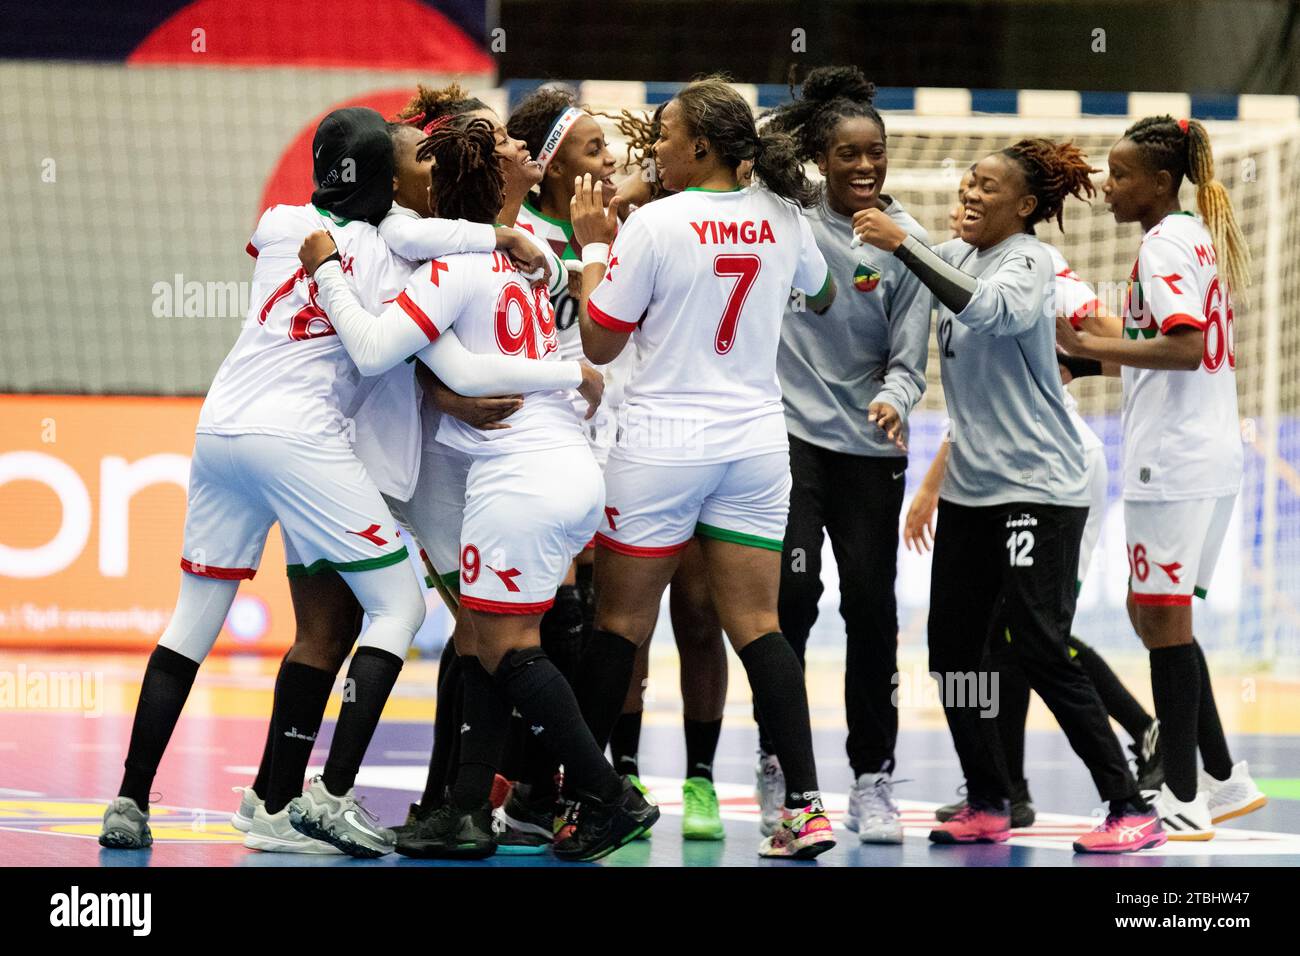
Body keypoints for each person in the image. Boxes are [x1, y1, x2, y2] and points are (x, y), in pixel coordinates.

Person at [98, 108, 575, 857]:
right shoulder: (400, 246)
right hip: (308, 443)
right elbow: (419, 294)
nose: (430, 167)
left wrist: (490, 235)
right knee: (399, 605)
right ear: (388, 183)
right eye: (415, 158)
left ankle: (134, 799)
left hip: (223, 427)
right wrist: (507, 248)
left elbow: (296, 237)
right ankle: (329, 797)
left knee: (196, 622)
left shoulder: (285, 220)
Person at [300, 117, 659, 862]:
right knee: (486, 638)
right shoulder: (532, 264)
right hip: (566, 468)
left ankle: (603, 796)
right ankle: (463, 812)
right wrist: (574, 372)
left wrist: (325, 270)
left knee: (503, 645)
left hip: (516, 477)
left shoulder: (451, 267)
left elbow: (386, 353)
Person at [854, 137, 1165, 853]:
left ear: (1024, 205)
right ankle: (989, 796)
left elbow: (989, 313)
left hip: (1040, 487)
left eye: (987, 187)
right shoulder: (953, 255)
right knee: (953, 651)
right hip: (974, 490)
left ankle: (1128, 803)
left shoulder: (1029, 262)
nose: (969, 193)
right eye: (968, 181)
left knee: (1038, 646)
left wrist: (905, 244)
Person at [569, 77, 838, 859]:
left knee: (620, 623)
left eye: (663, 134)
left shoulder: (653, 224)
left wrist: (593, 246)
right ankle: (806, 809)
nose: (654, 149)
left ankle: (590, 806)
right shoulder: (785, 218)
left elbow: (599, 343)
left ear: (699, 146)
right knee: (758, 626)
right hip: (755, 443)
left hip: (661, 444)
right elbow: (821, 296)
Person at [1055, 115, 1266, 839]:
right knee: (1156, 615)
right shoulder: (1192, 237)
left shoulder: (1165, 242)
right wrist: (1088, 362)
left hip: (1174, 460)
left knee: (1163, 621)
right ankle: (1226, 777)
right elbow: (1166, 346)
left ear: (1159, 183)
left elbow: (1183, 347)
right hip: (1202, 452)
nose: (1108, 189)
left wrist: (1088, 338)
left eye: (1119, 177)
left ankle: (1181, 797)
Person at [756, 65, 930, 843]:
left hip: (869, 449)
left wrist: (896, 396)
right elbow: (755, 151)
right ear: (822, 159)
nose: (865, 166)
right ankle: (780, 763)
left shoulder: (907, 244)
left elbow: (909, 359)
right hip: (789, 443)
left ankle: (873, 781)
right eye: (849, 153)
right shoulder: (786, 219)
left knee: (871, 610)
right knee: (789, 601)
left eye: (876, 153)